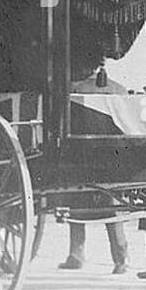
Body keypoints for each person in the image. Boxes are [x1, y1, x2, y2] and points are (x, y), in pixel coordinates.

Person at [61, 58, 130, 273]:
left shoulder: (72, 89)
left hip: (81, 158)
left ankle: (76, 254)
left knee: (74, 203)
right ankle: (121, 259)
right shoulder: (120, 89)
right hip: (114, 159)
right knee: (114, 207)